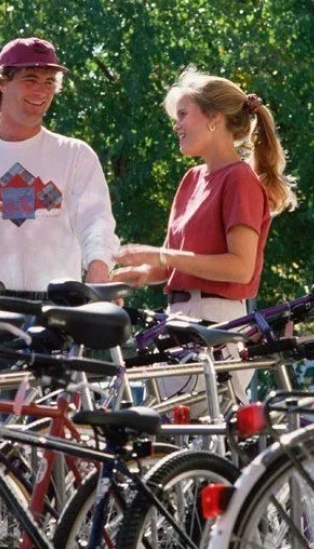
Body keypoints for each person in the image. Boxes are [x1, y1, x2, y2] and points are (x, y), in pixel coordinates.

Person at [113, 67, 296, 403]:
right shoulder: (192, 180)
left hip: (217, 326)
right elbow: (172, 265)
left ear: (214, 118)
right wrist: (138, 274)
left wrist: (162, 256)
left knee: (199, 431)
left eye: (183, 114)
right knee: (173, 430)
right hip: (179, 322)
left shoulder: (239, 180)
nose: (176, 125)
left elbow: (240, 268)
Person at [0, 37, 118, 295]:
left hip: (56, 308)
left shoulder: (76, 156)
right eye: (30, 80)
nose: (41, 91)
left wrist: (98, 276)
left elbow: (97, 226)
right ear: (2, 83)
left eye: (49, 82)